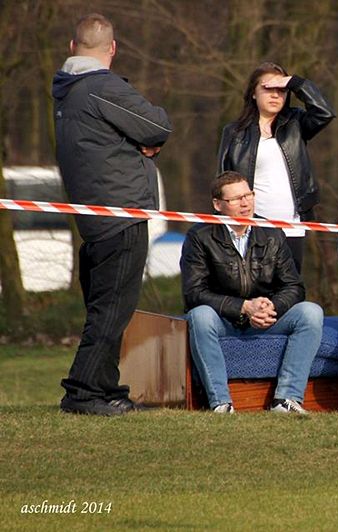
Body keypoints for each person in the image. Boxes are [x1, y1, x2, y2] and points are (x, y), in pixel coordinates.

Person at [52, 13, 172, 416]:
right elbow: (157, 126)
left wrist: (128, 142)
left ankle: (106, 389)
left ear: (73, 47)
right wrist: (143, 143)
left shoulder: (66, 91)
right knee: (112, 310)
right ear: (113, 48)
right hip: (120, 212)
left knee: (106, 307)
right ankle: (82, 392)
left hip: (92, 213)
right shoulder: (101, 87)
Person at [181, 171, 323, 414]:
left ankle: (286, 400)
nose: (245, 203)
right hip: (223, 319)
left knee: (310, 312)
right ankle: (221, 403)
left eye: (248, 195)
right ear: (218, 204)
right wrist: (244, 307)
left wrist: (270, 307)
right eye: (236, 199)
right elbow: (194, 292)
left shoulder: (272, 233)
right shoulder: (199, 236)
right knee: (200, 316)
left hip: (266, 317)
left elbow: (294, 286)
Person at [217, 62, 335, 273]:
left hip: (293, 226)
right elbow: (223, 180)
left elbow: (324, 112)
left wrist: (295, 82)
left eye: (281, 90)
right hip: (252, 227)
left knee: (290, 286)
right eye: (268, 88)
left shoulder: (296, 123)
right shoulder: (234, 132)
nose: (275, 95)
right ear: (254, 93)